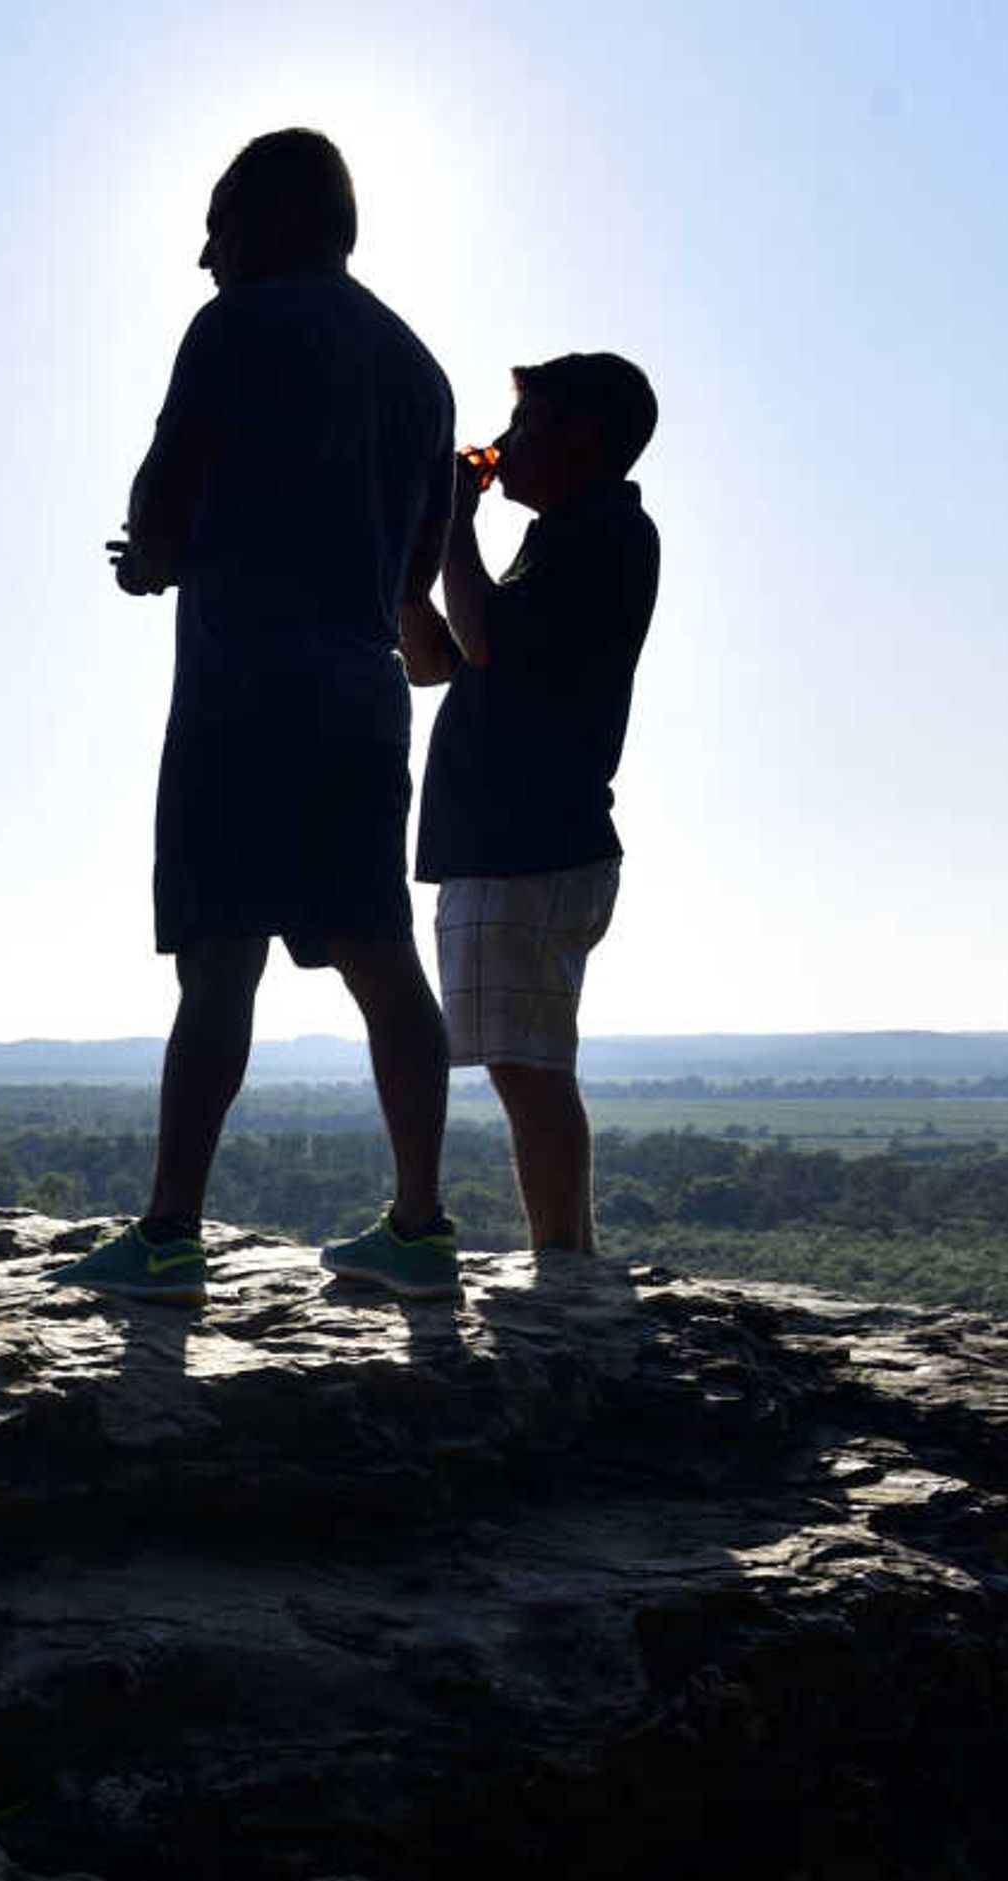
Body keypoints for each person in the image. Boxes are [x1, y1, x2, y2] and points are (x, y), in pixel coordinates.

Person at [61, 128, 466, 1306]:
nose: (204, 255)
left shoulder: (241, 324)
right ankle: (421, 1228)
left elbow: (170, 479)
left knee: (219, 964)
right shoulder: (420, 369)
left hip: (244, 694)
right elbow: (418, 568)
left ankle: (170, 1236)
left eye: (221, 222)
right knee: (384, 962)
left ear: (289, 216)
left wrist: (151, 560)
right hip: (363, 699)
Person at [400, 354, 662, 1265]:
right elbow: (437, 660)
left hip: (527, 840)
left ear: (581, 434)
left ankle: (564, 1262)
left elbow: (480, 643)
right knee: (529, 1060)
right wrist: (422, 551)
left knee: (528, 1066)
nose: (502, 448)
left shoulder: (597, 535)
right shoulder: (569, 536)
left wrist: (455, 526)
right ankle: (567, 1256)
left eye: (522, 428)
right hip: (524, 838)